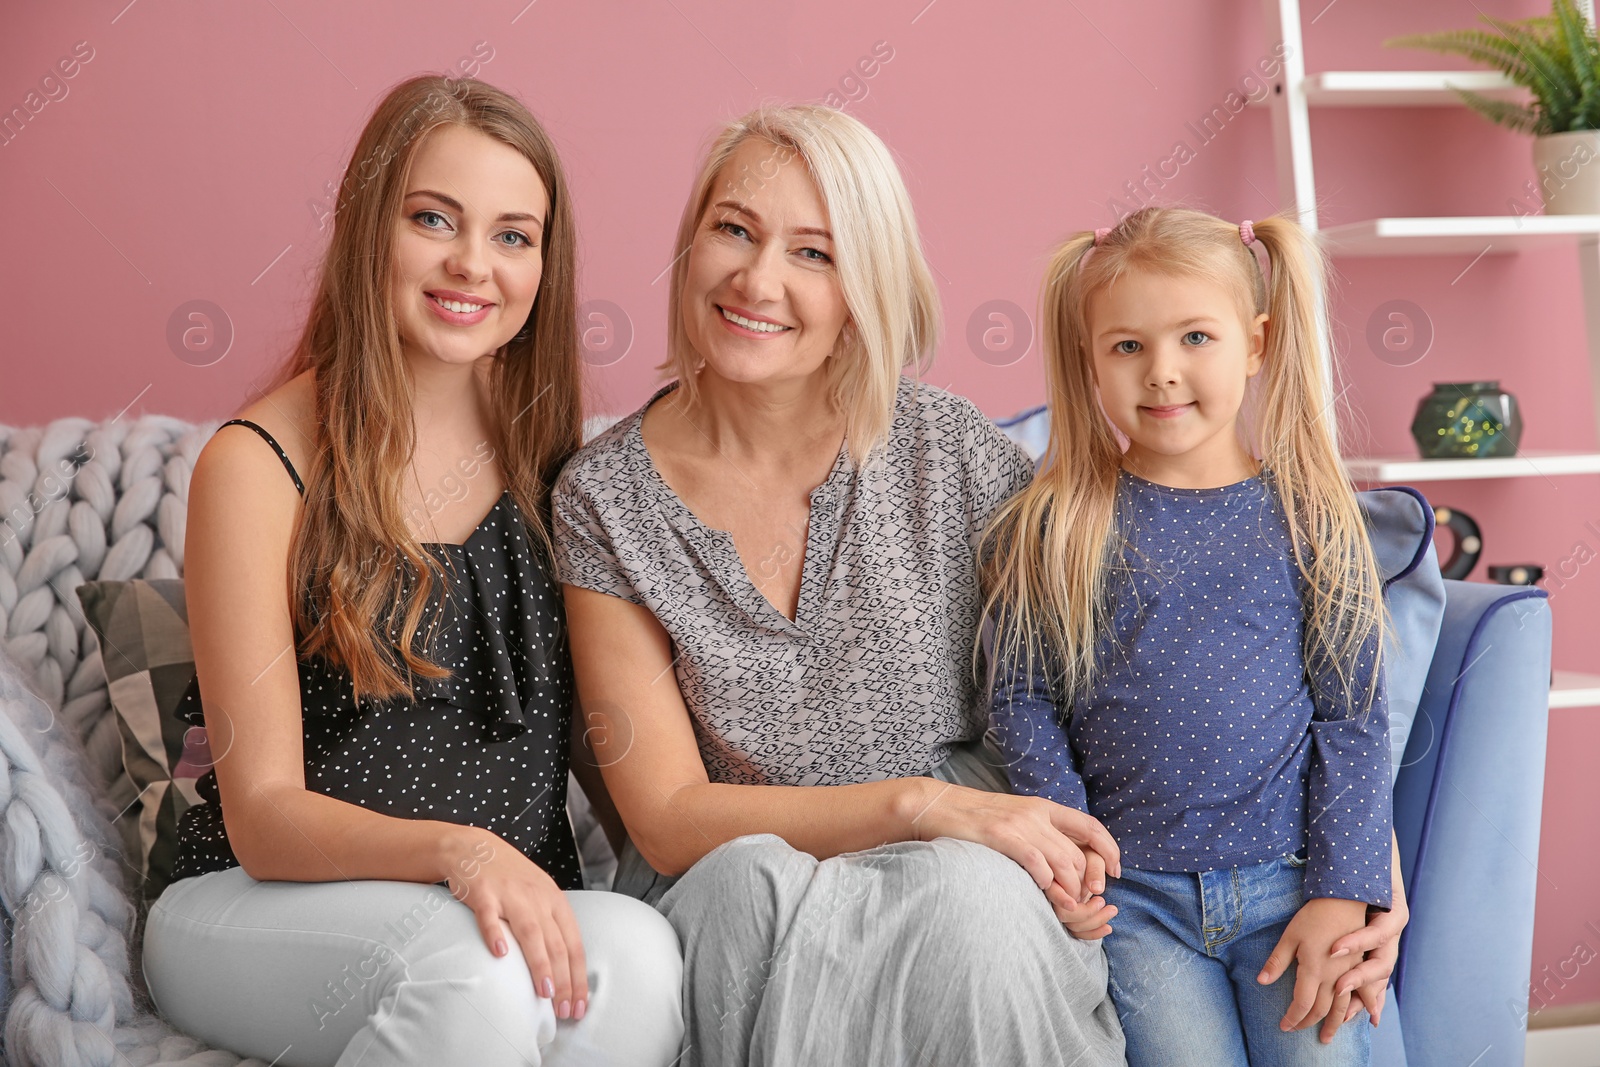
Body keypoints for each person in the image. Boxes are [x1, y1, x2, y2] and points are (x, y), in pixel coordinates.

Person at [552, 103, 1129, 1067]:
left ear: (864, 287)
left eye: (813, 253)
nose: (757, 279)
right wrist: (915, 806)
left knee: (969, 902)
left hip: (964, 870)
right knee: (746, 899)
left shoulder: (949, 453)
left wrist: (1351, 855)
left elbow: (1141, 664)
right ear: (691, 244)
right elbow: (667, 815)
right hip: (736, 861)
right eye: (733, 229)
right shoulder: (604, 498)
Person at [141, 75, 683, 1067]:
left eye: (514, 235)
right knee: (471, 971)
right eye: (435, 219)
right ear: (366, 229)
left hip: (484, 906)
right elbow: (262, 817)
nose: (473, 263)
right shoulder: (257, 463)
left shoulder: (551, 462)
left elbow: (611, 758)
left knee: (642, 953)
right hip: (255, 903)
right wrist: (460, 852)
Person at [982, 206, 1406, 1066]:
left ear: (1256, 343)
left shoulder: (1311, 519)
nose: (1163, 373)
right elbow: (1019, 698)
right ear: (1089, 360)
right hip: (1136, 907)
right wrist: (1077, 856)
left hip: (1292, 888)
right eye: (1127, 346)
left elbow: (1354, 717)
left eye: (1196, 338)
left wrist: (1341, 888)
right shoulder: (1055, 523)